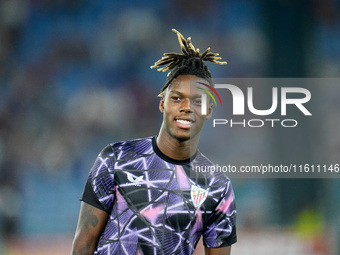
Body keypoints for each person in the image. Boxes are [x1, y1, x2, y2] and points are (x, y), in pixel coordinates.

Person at [71, 29, 237, 255]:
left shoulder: (217, 186)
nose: (186, 107)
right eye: (177, 98)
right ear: (162, 104)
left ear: (208, 110)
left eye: (197, 101)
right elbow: (84, 244)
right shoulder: (115, 159)